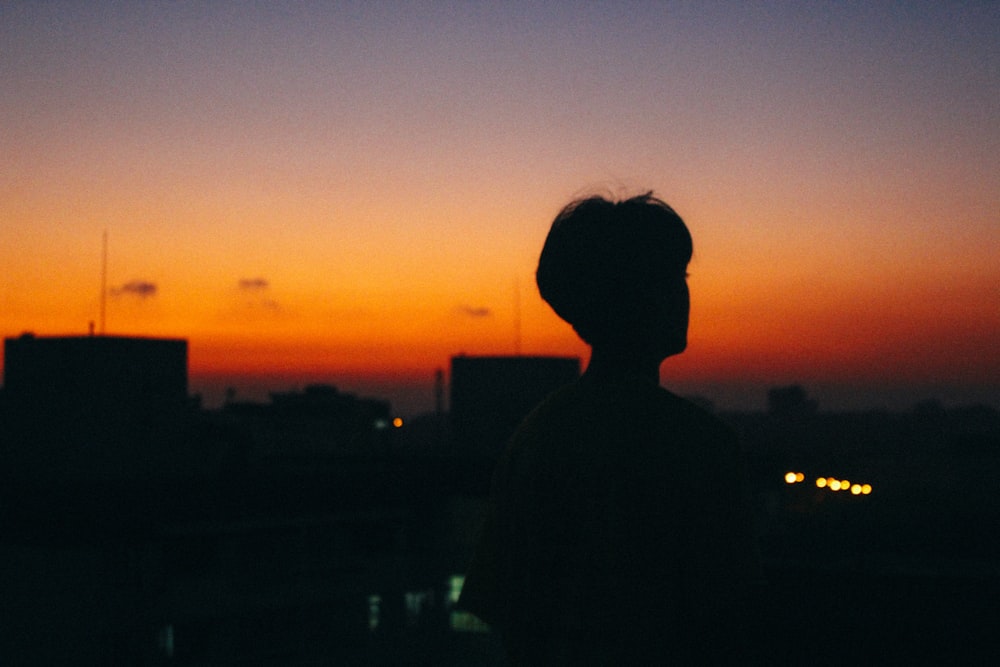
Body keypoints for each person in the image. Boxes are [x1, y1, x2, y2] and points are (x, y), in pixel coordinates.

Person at [458, 193, 762, 664]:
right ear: (632, 296)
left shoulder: (538, 434)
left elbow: (501, 604)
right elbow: (726, 616)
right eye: (669, 278)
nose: (682, 294)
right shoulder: (695, 442)